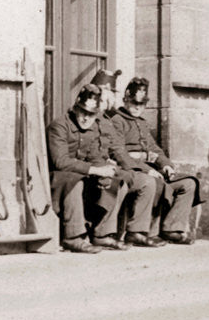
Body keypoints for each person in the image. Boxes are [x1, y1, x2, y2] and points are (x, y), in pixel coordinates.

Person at [48, 84, 143, 252]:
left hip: (81, 174)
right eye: (83, 112)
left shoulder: (93, 128)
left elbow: (94, 157)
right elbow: (60, 161)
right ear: (75, 109)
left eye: (91, 115)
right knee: (75, 181)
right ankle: (73, 237)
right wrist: (96, 170)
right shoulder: (60, 125)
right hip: (59, 179)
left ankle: (102, 234)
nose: (86, 118)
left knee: (118, 181)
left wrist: (108, 170)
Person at [108, 77, 200, 244]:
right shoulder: (117, 121)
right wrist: (146, 169)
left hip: (151, 170)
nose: (137, 108)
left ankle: (171, 228)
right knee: (152, 182)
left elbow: (155, 149)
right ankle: (141, 232)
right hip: (132, 170)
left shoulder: (142, 123)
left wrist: (166, 165)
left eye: (141, 105)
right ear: (125, 100)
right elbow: (119, 153)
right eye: (133, 103)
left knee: (188, 183)